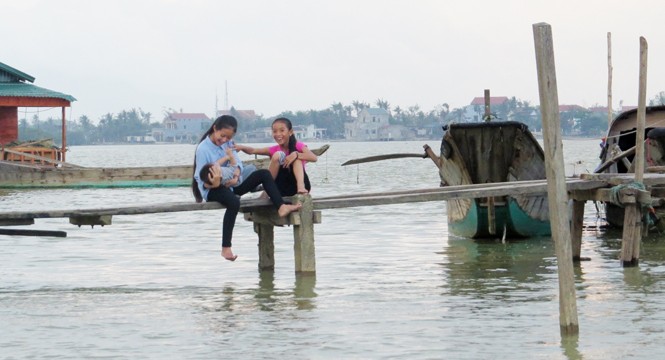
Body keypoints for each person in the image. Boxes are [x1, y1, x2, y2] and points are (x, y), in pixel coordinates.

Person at [192, 115, 302, 261]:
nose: (224, 140)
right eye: (222, 135)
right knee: (234, 203)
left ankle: (281, 206)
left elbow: (238, 163)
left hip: (231, 184)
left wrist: (236, 177)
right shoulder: (203, 149)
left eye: (228, 137)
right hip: (212, 188)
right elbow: (202, 180)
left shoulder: (228, 143)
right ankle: (226, 248)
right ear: (215, 128)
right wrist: (217, 182)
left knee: (263, 174)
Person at [235, 117, 317, 196]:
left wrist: (296, 154)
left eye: (282, 130)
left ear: (290, 132)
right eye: (275, 131)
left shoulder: (298, 145)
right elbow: (253, 150)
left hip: (298, 186)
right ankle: (266, 192)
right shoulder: (274, 150)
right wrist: (241, 147)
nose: (278, 134)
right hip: (281, 188)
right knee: (277, 156)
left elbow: (313, 158)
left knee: (296, 159)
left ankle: (301, 188)